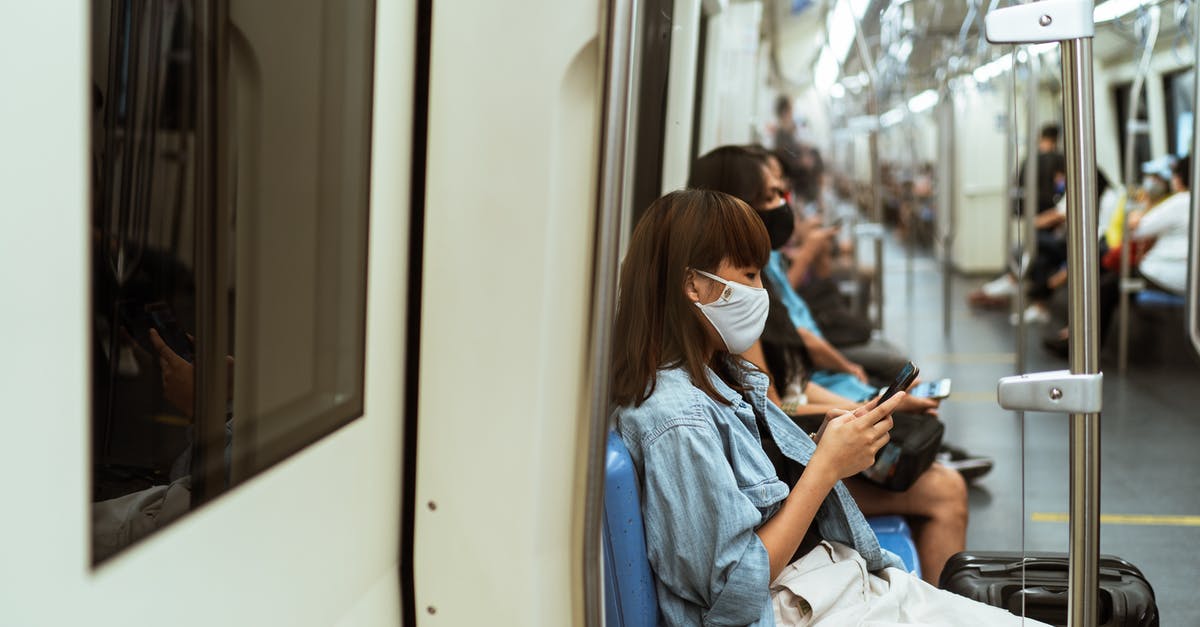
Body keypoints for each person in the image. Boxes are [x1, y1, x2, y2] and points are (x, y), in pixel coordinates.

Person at [610, 189, 1046, 625]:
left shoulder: (722, 376)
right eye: (748, 275)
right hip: (798, 604)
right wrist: (825, 468)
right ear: (693, 285)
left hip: (830, 581)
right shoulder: (674, 419)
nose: (760, 292)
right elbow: (736, 590)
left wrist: (820, 447)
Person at [1045, 155, 1192, 355]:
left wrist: (1137, 214)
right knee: (1105, 274)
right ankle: (1077, 335)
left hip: (1164, 272)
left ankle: (1083, 345)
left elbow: (1135, 229)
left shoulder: (1181, 201)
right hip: (1179, 272)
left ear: (1179, 177)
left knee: (1106, 285)